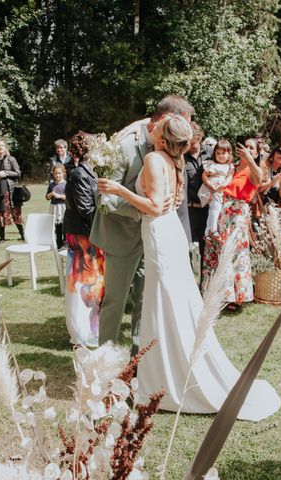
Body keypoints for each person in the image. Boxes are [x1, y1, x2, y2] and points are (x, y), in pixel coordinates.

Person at [98, 115, 281, 421]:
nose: (151, 124)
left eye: (157, 124)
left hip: (158, 232)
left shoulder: (157, 159)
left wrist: (119, 190)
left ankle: (166, 379)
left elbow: (155, 206)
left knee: (165, 302)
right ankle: (159, 374)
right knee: (167, 303)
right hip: (166, 232)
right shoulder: (172, 158)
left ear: (162, 137)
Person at [90, 94, 195, 354]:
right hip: (122, 237)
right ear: (167, 119)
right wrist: (143, 210)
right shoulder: (125, 146)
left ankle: (140, 360)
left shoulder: (169, 145)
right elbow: (104, 199)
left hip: (154, 237)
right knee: (115, 301)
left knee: (145, 302)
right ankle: (106, 360)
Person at [202, 140, 263, 310]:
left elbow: (259, 180)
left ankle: (235, 296)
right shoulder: (230, 165)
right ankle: (215, 292)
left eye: (252, 148)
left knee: (234, 251)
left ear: (257, 153)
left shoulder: (253, 169)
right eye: (246, 146)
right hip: (221, 210)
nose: (247, 149)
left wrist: (250, 159)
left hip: (237, 213)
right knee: (218, 248)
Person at [63, 131, 104, 347]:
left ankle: (91, 329)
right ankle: (79, 333)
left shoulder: (90, 172)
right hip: (81, 236)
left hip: (89, 234)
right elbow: (85, 209)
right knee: (79, 283)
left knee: (94, 283)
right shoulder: (79, 174)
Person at [0, 138, 24, 243]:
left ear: (5, 147)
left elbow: (17, 173)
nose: (0, 147)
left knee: (16, 213)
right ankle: (2, 237)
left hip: (10, 191)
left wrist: (5, 173)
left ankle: (23, 235)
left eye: (2, 145)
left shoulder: (11, 159)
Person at [199, 140, 235, 237]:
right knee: (215, 208)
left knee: (218, 210)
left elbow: (229, 178)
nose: (220, 155)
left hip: (221, 190)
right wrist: (209, 185)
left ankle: (208, 230)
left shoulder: (229, 166)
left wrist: (223, 185)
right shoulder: (211, 164)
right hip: (211, 190)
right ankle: (212, 229)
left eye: (223, 153)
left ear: (229, 154)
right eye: (218, 153)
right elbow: (204, 176)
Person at [185, 122, 207, 268]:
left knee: (206, 250)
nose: (191, 145)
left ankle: (205, 285)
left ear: (199, 138)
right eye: (189, 142)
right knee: (186, 248)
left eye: (194, 141)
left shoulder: (211, 153)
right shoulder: (182, 156)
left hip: (207, 209)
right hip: (189, 209)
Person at [46, 164, 67, 249]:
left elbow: (68, 197)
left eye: (59, 173)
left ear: (63, 173)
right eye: (56, 173)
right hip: (54, 208)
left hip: (63, 208)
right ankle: (59, 243)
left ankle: (66, 242)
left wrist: (59, 196)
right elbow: (47, 197)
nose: (57, 175)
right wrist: (51, 194)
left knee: (64, 225)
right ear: (53, 174)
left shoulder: (66, 184)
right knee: (57, 226)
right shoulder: (51, 185)